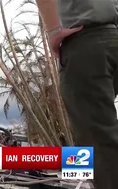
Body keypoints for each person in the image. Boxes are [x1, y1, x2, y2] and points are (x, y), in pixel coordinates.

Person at [36, 0, 118, 188]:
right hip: (113, 34)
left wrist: (54, 32)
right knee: (105, 129)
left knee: (98, 140)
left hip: (84, 41)